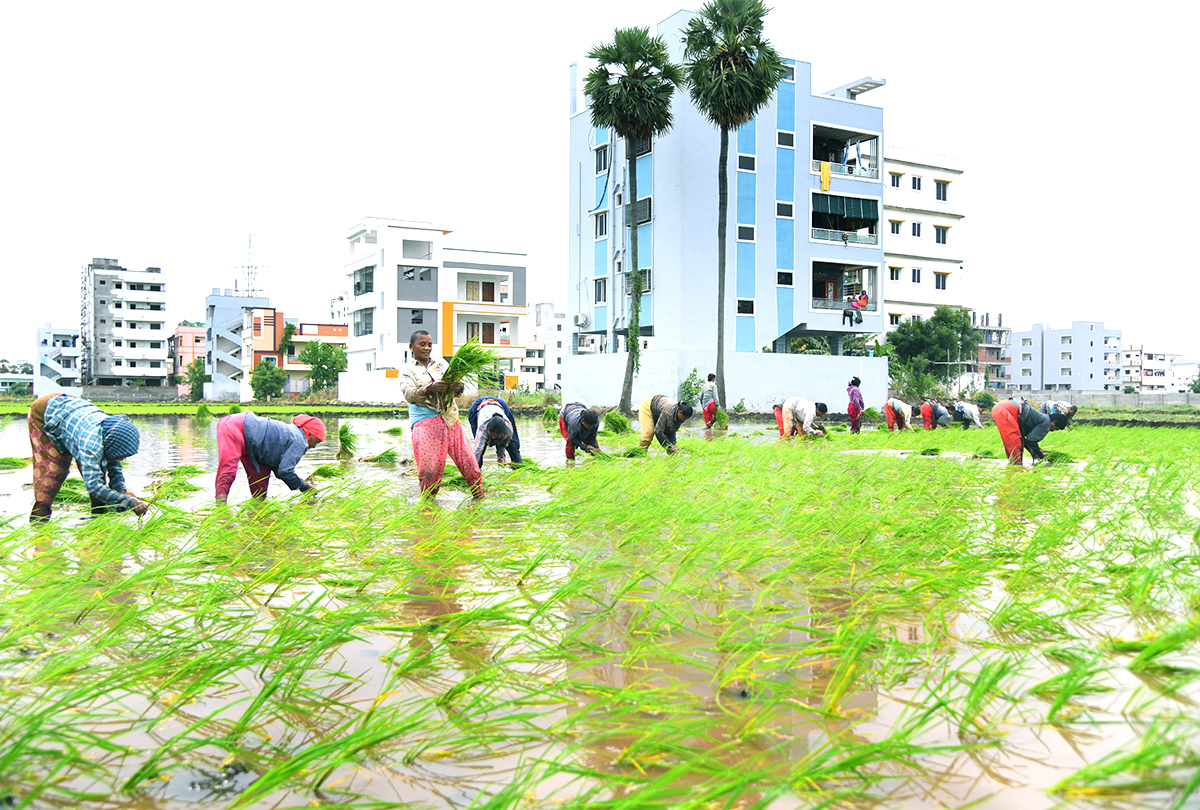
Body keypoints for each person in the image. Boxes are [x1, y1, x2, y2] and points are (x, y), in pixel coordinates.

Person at [27, 393, 149, 522]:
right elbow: (93, 486)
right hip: (46, 412)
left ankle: (97, 528)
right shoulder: (91, 445)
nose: (121, 460)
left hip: (76, 418)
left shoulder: (110, 434)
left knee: (100, 485)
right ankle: (38, 530)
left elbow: (114, 466)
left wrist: (121, 490)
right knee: (51, 478)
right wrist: (128, 501)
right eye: (122, 456)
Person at [399, 330, 484, 498]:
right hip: (426, 424)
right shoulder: (407, 370)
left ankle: (479, 500)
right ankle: (428, 509)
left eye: (429, 344)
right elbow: (409, 394)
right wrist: (428, 389)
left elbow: (458, 388)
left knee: (470, 466)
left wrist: (457, 388)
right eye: (422, 344)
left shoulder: (441, 364)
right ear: (411, 347)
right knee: (430, 472)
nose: (427, 348)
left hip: (451, 420)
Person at [215, 412, 324, 503]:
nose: (314, 446)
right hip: (235, 427)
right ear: (309, 434)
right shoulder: (300, 440)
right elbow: (284, 471)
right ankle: (221, 512)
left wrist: (304, 486)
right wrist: (304, 486)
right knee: (228, 470)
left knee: (260, 489)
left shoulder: (292, 434)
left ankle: (257, 516)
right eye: (316, 441)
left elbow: (280, 468)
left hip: (255, 448)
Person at [991, 397, 1069, 466]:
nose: (1052, 431)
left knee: (1018, 443)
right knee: (1014, 442)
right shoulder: (1046, 423)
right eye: (1056, 428)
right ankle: (1016, 469)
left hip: (1001, 407)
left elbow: (1025, 440)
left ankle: (1013, 467)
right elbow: (1031, 439)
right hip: (1006, 410)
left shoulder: (1040, 419)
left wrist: (1032, 451)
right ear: (1054, 422)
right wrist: (1040, 454)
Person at [467, 396, 523, 467]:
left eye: (496, 436)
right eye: (491, 435)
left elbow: (502, 444)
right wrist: (471, 471)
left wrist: (501, 456)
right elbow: (477, 451)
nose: (493, 438)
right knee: (480, 449)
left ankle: (519, 470)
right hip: (478, 406)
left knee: (513, 447)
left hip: (501, 405)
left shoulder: (508, 430)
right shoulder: (483, 428)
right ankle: (476, 474)